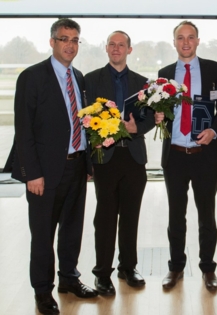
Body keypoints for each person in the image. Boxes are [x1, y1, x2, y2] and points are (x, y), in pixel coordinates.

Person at [10, 18, 98, 315]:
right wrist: (31, 173)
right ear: (52, 42)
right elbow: (24, 131)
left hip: (76, 168)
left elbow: (82, 123)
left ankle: (69, 279)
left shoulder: (80, 78)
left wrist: (86, 163)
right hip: (44, 174)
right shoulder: (32, 77)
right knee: (43, 235)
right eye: (64, 39)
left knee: (72, 230)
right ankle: (42, 291)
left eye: (75, 40)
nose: (70, 45)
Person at [155, 21, 217, 291]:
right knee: (176, 215)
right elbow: (156, 109)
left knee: (206, 215)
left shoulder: (213, 69)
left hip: (204, 154)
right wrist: (158, 115)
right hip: (174, 155)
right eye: (180, 38)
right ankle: (176, 267)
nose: (186, 42)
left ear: (198, 41)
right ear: (174, 42)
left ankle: (208, 268)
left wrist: (214, 131)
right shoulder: (163, 74)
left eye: (191, 37)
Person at [84, 31, 155, 295]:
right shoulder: (91, 80)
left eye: (121, 45)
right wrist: (92, 150)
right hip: (105, 158)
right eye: (112, 45)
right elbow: (84, 119)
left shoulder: (142, 83)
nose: (116, 49)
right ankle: (102, 273)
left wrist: (138, 127)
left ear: (129, 50)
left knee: (130, 215)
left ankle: (128, 267)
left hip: (134, 157)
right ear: (106, 49)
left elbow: (149, 119)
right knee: (104, 217)